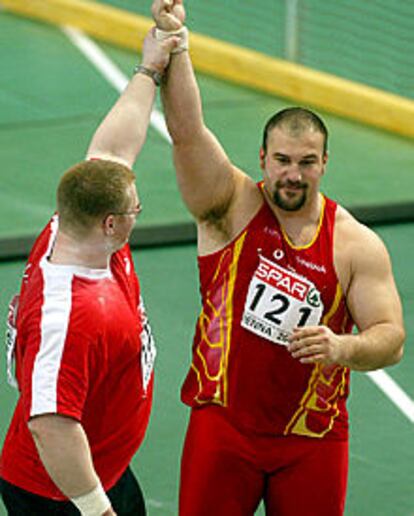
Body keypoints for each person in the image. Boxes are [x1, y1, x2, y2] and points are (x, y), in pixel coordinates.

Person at [151, 1, 406, 515]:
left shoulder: (354, 244)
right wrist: (176, 41)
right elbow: (187, 131)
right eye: (283, 161)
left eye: (307, 163)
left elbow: (391, 338)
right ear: (262, 158)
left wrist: (342, 347)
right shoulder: (230, 206)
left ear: (324, 163)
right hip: (222, 425)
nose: (293, 174)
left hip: (312, 438)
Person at [0, 29, 179, 516]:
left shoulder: (69, 228)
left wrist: (150, 66)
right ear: (111, 222)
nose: (138, 213)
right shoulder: (73, 316)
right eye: (134, 210)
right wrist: (97, 509)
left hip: (105, 468)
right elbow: (50, 425)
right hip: (58, 495)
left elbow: (114, 152)